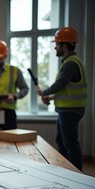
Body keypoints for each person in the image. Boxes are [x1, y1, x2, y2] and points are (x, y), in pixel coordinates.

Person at [37, 27, 87, 170]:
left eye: (57, 44)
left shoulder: (70, 63)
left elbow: (59, 85)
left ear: (64, 45)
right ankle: (64, 170)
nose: (55, 48)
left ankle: (76, 173)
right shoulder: (72, 62)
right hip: (68, 109)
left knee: (70, 143)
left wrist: (43, 92)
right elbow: (68, 90)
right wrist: (51, 98)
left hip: (70, 110)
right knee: (62, 141)